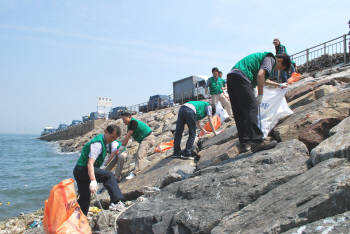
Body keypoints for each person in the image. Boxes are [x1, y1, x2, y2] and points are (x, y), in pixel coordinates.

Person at [226, 52, 291, 153]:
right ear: (280, 60)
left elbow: (264, 80)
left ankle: (244, 143)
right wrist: (260, 94)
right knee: (252, 109)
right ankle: (257, 142)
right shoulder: (270, 58)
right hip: (242, 77)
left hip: (231, 77)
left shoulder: (261, 59)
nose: (277, 70)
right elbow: (260, 75)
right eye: (280, 68)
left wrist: (278, 85)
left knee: (240, 112)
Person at [73, 125, 125, 215]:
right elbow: (90, 163)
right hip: (83, 169)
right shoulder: (98, 144)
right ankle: (116, 202)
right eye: (111, 137)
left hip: (79, 170)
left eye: (114, 138)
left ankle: (80, 219)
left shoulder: (104, 141)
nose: (112, 140)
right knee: (109, 176)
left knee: (85, 198)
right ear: (105, 132)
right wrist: (93, 180)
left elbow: (118, 147)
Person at [120, 112, 155, 180]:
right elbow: (127, 137)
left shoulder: (133, 122)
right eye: (122, 120)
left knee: (139, 154)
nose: (123, 121)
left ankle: (136, 172)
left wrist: (122, 147)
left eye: (124, 119)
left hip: (148, 138)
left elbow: (128, 136)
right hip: (144, 140)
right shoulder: (130, 125)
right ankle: (145, 166)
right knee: (140, 155)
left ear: (129, 117)